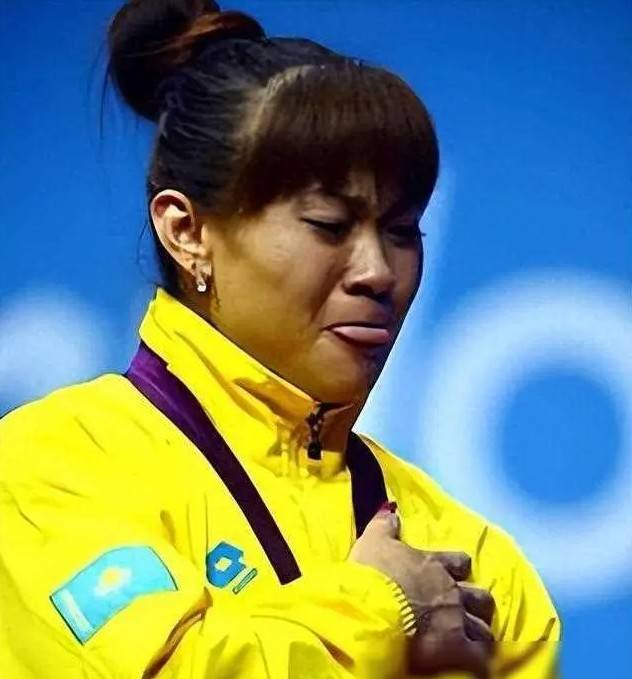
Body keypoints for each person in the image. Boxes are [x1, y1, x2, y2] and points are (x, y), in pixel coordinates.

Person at [0, 1, 560, 677]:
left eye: (402, 230)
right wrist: (383, 608)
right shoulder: (51, 468)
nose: (379, 271)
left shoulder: (478, 563)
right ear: (187, 231)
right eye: (329, 225)